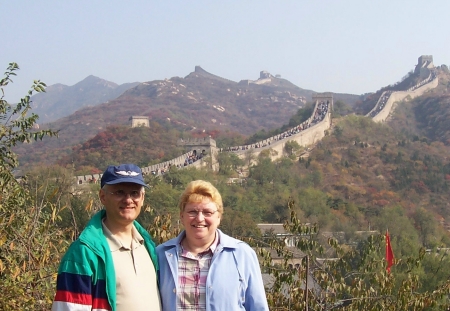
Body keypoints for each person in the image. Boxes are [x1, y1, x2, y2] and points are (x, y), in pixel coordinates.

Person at [52, 163, 161, 311]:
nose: (128, 200)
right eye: (119, 192)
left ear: (142, 198)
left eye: (134, 193)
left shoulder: (148, 246)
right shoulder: (84, 253)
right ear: (103, 197)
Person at [156, 180, 269, 311]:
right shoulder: (162, 255)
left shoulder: (241, 254)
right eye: (192, 211)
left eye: (207, 212)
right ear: (182, 216)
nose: (199, 218)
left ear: (219, 217)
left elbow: (258, 307)